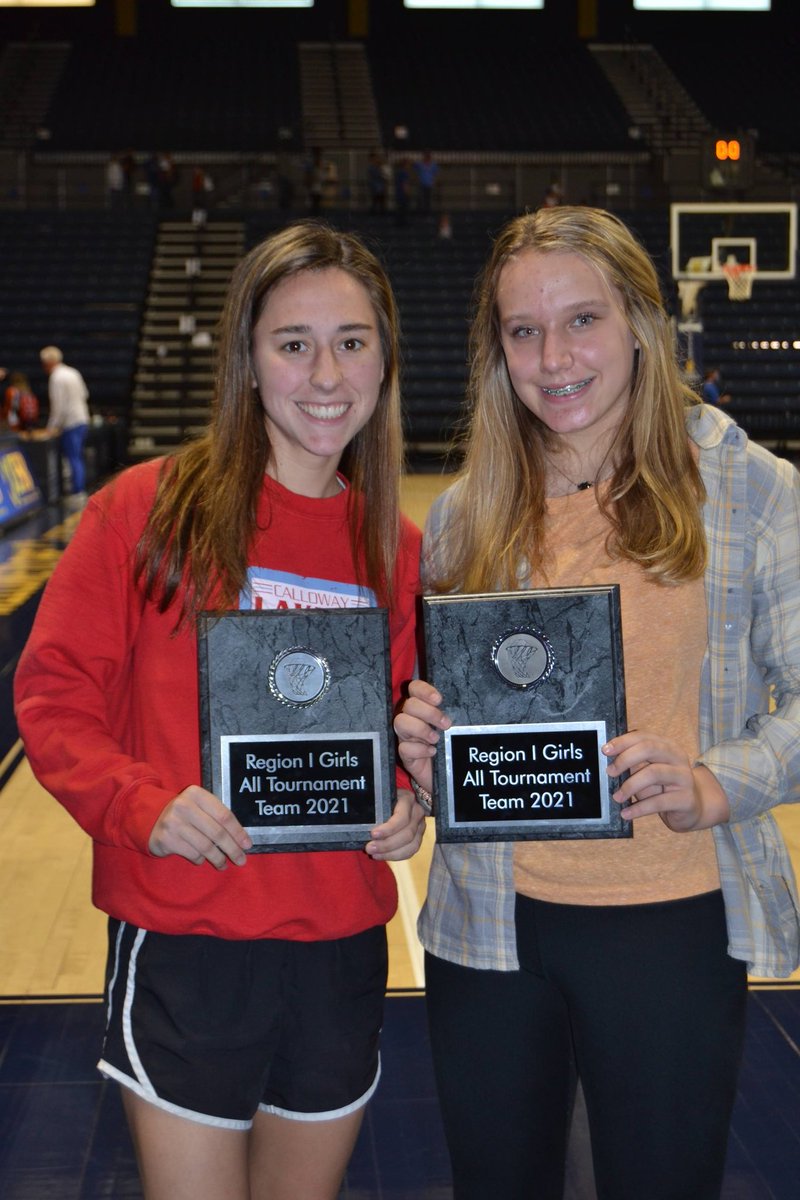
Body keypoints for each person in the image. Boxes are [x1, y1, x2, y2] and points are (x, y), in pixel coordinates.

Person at [394, 206, 800, 1200]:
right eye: (522, 331)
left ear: (638, 325)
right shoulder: (462, 514)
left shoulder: (746, 489)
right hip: (487, 927)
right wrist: (420, 746)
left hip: (669, 919)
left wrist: (713, 781)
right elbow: (455, 741)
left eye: (580, 320)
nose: (552, 356)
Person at [16, 221, 426, 1200]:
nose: (325, 373)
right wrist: (141, 803)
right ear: (247, 359)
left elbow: (405, 727)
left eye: (352, 341)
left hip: (337, 950)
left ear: (384, 361)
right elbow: (52, 693)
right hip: (185, 940)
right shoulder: (143, 512)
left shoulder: (396, 549)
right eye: (293, 344)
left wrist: (410, 792)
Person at [40, 345, 90, 499]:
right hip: (82, 418)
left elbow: (58, 406)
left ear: (48, 362)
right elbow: (85, 394)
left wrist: (51, 427)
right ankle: (78, 489)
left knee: (73, 458)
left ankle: (77, 491)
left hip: (70, 423)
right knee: (77, 456)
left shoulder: (56, 378)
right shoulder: (73, 372)